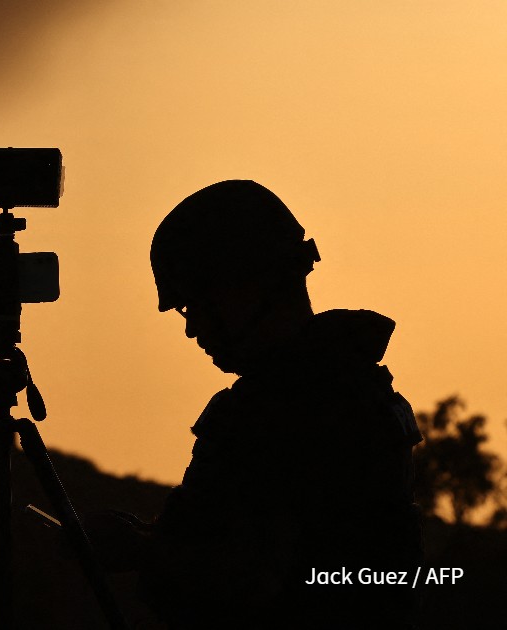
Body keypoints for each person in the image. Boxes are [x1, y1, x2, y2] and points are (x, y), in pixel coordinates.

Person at [88, 180, 422, 629]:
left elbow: (255, 582)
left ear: (245, 289)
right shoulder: (353, 386)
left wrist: (141, 551)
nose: (192, 329)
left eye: (195, 305)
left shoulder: (285, 411)